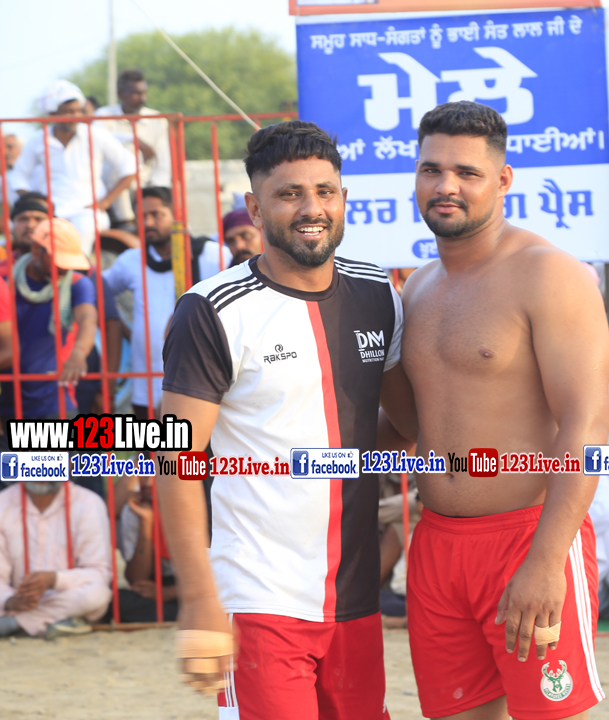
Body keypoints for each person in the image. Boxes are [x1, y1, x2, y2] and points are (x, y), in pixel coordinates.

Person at [157, 120, 412, 716]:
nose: (311, 208)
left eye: (324, 191)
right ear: (255, 208)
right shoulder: (210, 310)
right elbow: (173, 461)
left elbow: (408, 425)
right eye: (289, 193)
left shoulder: (379, 294)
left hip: (355, 597)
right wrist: (199, 598)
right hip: (258, 597)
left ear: (343, 198)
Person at [398, 101, 608, 719]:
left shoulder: (549, 274)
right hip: (437, 544)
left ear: (503, 179)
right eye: (432, 170)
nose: (447, 186)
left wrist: (547, 560)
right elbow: (412, 424)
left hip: (527, 536)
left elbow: (588, 423)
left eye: (467, 172)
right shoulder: (418, 287)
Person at [103, 187, 230, 419]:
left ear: (176, 215)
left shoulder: (214, 255)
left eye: (156, 214)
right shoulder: (132, 260)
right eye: (141, 216)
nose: (148, 222)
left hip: (201, 381)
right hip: (146, 383)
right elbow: (99, 291)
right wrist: (123, 328)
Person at [8, 80, 137, 255]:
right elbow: (18, 175)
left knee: (83, 231)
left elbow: (129, 165)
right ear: (52, 114)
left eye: (77, 110)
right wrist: (34, 202)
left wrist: (106, 201)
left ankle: (76, 271)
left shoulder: (95, 135)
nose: (75, 115)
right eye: (68, 111)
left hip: (88, 212)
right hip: (51, 212)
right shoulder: (38, 140)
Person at [0, 218, 95, 421]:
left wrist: (79, 352)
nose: (64, 269)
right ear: (36, 250)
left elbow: (87, 319)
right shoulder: (5, 281)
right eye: (59, 261)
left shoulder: (77, 283)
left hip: (56, 402)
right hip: (7, 401)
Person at [0, 480, 111, 639]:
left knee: (98, 594)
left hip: (67, 597)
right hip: (16, 600)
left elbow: (99, 573)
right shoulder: (3, 503)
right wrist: (10, 600)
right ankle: (55, 623)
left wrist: (54, 579)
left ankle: (16, 623)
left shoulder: (88, 503)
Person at [95, 68, 172, 229]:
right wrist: (134, 139)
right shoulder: (103, 116)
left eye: (144, 93)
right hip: (114, 186)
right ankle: (127, 222)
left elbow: (163, 164)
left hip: (147, 185)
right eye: (136, 94)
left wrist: (152, 192)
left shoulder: (157, 119)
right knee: (121, 168)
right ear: (120, 94)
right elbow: (97, 137)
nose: (142, 99)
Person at [117, 476, 177, 622]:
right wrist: (146, 521)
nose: (148, 482)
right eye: (145, 473)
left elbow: (216, 576)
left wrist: (166, 593)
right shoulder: (135, 508)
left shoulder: (198, 505)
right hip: (155, 583)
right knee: (119, 600)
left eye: (158, 474)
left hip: (192, 585)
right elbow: (137, 579)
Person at [9, 191, 51, 260]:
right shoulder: (2, 264)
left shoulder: (67, 264)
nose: (30, 225)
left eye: (38, 219)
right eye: (23, 219)